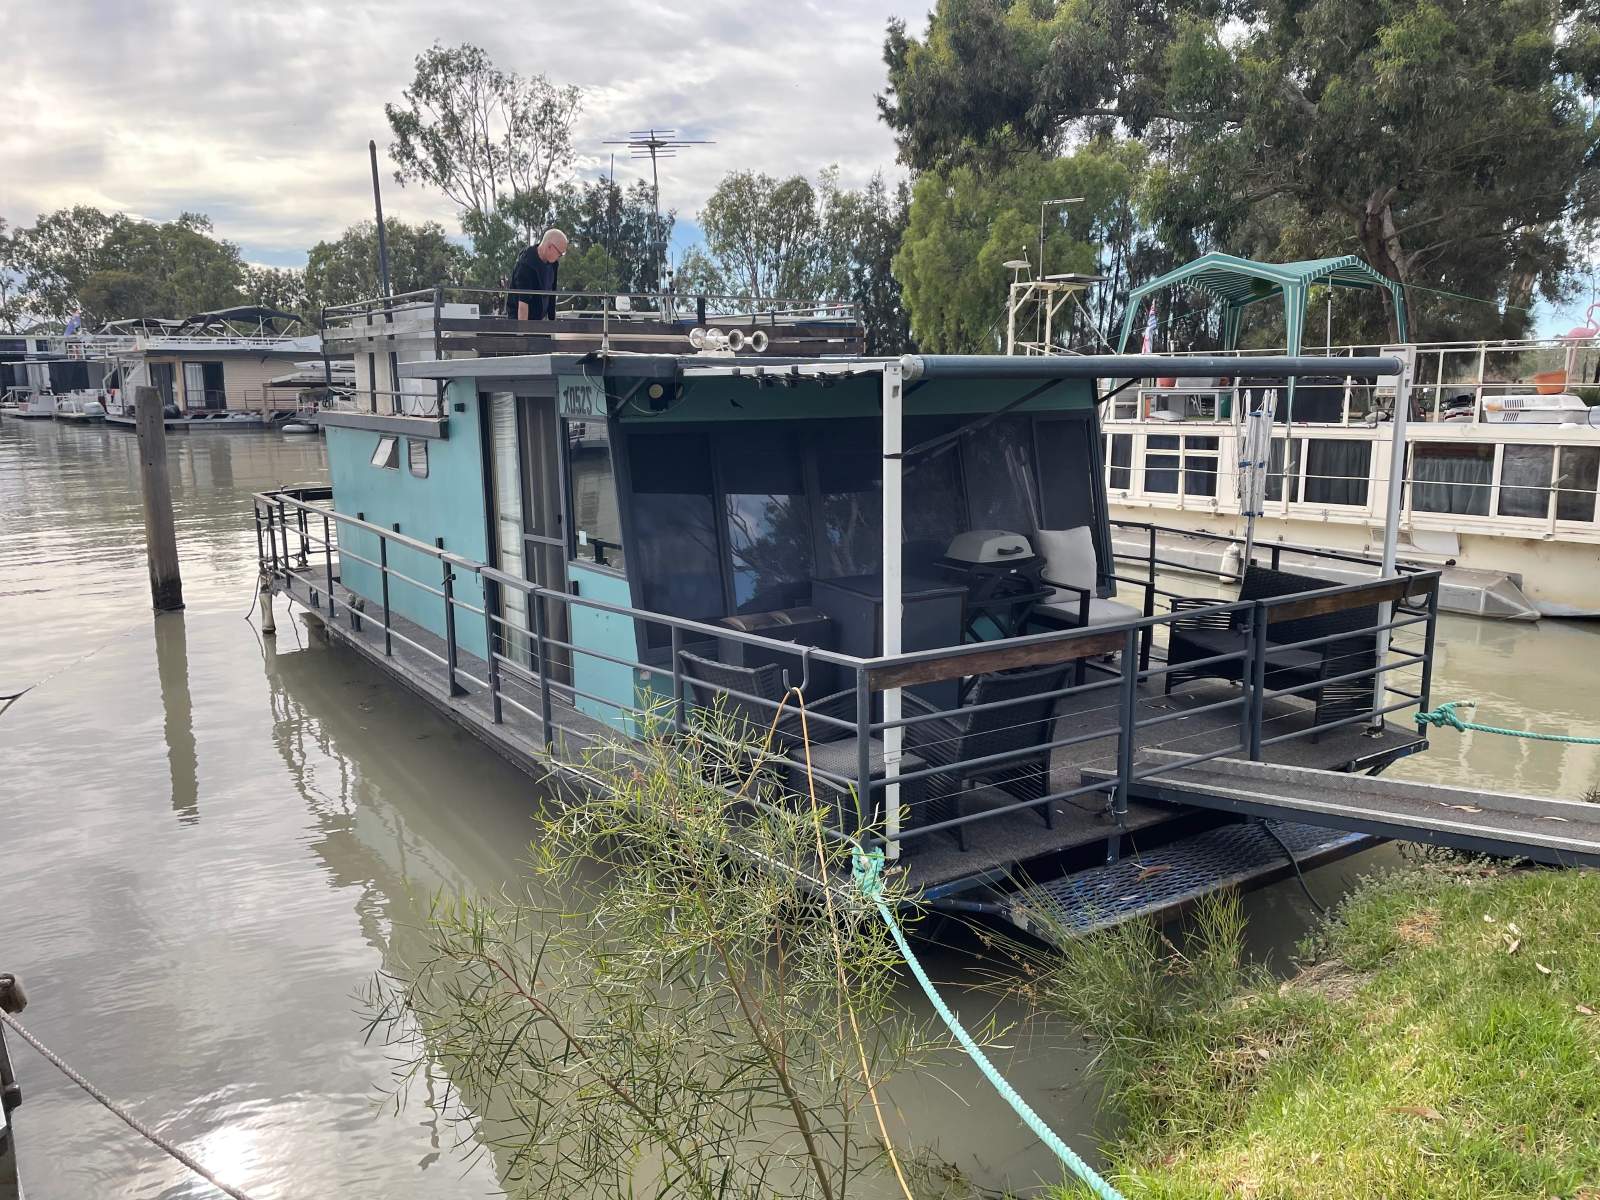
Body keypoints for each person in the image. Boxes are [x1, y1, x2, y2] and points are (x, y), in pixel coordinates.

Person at [506, 229, 569, 320]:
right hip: (520, 319)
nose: (559, 257)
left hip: (540, 320)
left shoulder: (553, 264)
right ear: (549, 247)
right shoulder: (526, 263)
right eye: (560, 254)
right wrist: (523, 329)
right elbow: (523, 304)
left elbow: (552, 295)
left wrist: (552, 323)